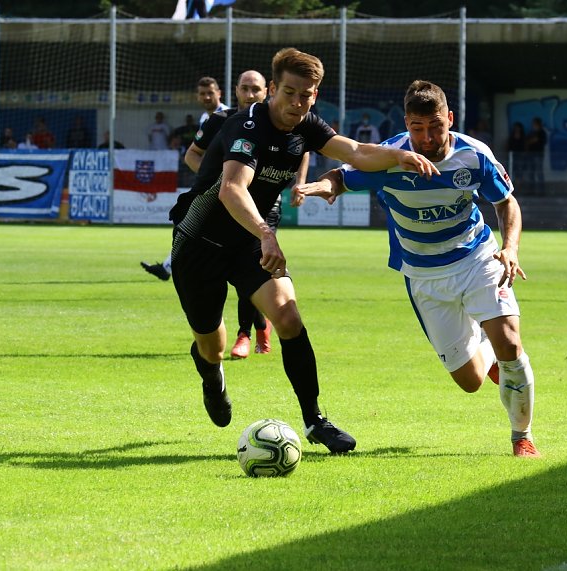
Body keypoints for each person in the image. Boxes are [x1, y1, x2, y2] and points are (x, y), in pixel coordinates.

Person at [169, 48, 437, 453]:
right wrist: (266, 232)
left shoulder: (306, 124)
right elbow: (231, 189)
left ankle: (315, 422)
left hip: (248, 243)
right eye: (289, 93)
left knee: (288, 317)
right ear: (272, 89)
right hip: (199, 242)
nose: (297, 103)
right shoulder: (248, 126)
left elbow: (356, 153)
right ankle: (212, 375)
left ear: (315, 94)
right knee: (212, 344)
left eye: (306, 95)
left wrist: (398, 155)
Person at [293, 79, 540, 458]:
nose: (426, 137)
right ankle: (487, 351)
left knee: (510, 341)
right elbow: (344, 175)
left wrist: (510, 247)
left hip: (477, 257)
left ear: (450, 119)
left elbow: (506, 203)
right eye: (417, 128)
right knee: (471, 381)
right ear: (407, 123)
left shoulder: (474, 156)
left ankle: (521, 437)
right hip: (424, 275)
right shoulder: (389, 156)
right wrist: (325, 185)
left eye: (436, 126)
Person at [142, 70, 303, 360]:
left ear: (267, 91)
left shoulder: (281, 122)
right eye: (245, 89)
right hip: (224, 206)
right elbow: (192, 154)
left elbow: (302, 148)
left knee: (255, 268)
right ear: (236, 90)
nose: (250, 94)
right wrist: (218, 182)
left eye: (256, 89)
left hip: (265, 210)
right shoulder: (221, 120)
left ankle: (246, 333)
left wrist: (298, 182)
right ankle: (255, 326)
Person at [524, 116, 546, 195]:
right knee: (531, 173)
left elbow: (535, 140)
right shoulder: (531, 133)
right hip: (531, 155)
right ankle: (531, 191)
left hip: (538, 155)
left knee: (539, 173)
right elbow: (527, 141)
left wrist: (531, 141)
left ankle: (541, 192)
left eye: (535, 124)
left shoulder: (542, 132)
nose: (533, 125)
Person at [507, 121, 527, 191]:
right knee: (513, 171)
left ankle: (519, 187)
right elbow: (509, 145)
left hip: (520, 157)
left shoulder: (523, 137)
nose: (517, 129)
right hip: (513, 157)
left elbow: (524, 146)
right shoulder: (512, 136)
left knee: (520, 172)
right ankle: (513, 187)